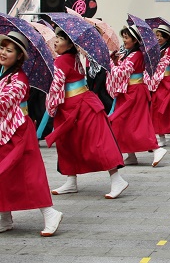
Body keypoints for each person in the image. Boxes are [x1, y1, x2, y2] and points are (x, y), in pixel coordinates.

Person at [45, 29, 128, 199]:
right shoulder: (72, 58)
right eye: (57, 38)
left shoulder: (61, 61)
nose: (56, 41)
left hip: (78, 107)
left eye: (60, 39)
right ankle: (71, 179)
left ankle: (117, 179)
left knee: (98, 143)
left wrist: (51, 107)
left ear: (70, 44)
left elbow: (56, 88)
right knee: (69, 144)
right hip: (79, 105)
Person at [0, 31, 63, 236]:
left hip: (18, 132)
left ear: (19, 56)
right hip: (6, 131)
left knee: (29, 175)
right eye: (2, 48)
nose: (3, 53)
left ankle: (50, 212)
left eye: (9, 50)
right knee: (5, 175)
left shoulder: (19, 79)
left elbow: (5, 102)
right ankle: (5, 216)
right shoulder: (4, 73)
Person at [107, 25, 167, 167]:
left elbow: (122, 72)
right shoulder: (130, 54)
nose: (124, 40)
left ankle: (156, 148)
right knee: (125, 123)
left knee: (136, 123)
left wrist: (110, 63)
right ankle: (131, 154)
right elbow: (122, 68)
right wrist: (115, 61)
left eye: (126, 37)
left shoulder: (136, 54)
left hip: (134, 93)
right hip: (130, 91)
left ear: (135, 40)